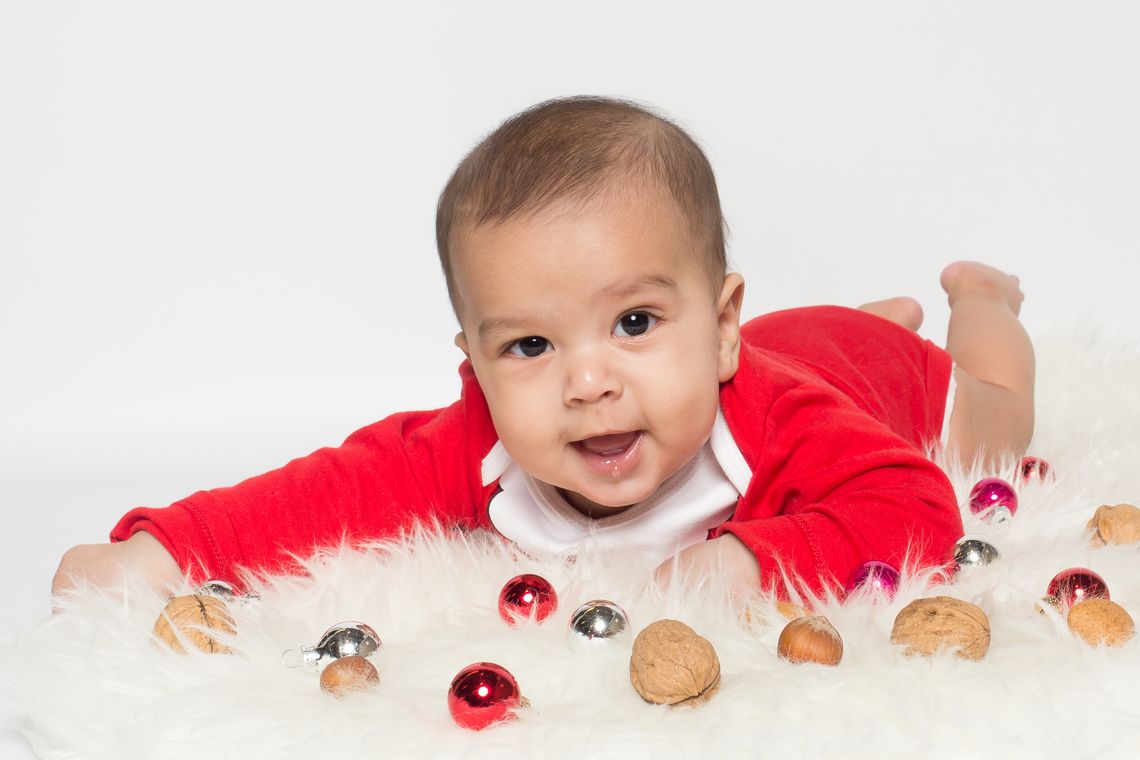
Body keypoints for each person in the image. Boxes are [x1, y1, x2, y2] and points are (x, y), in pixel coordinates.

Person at [51, 96, 1034, 603]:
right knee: (806, 344)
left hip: (867, 375)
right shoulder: (476, 437)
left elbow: (912, 507)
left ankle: (972, 301)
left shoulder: (780, 421)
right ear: (475, 364)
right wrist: (164, 550)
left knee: (996, 420)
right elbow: (331, 492)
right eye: (529, 344)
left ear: (720, 325)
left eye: (635, 322)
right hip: (774, 345)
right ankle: (868, 315)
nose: (589, 381)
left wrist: (752, 564)